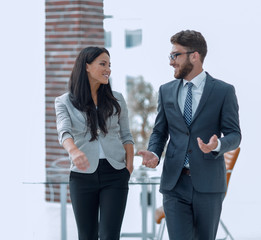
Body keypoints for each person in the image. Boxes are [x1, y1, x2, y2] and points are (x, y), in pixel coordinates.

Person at [138, 30, 241, 240]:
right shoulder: (166, 90)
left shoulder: (223, 91)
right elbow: (160, 131)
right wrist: (154, 153)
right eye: (171, 56)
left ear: (194, 55)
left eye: (176, 55)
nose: (171, 62)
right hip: (175, 183)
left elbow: (234, 134)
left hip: (209, 184)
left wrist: (218, 145)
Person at [55, 46, 134, 240]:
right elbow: (63, 131)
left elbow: (126, 135)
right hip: (82, 177)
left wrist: (129, 167)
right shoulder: (64, 101)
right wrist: (73, 151)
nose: (108, 69)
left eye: (109, 65)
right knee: (87, 235)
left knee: (109, 235)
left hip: (115, 174)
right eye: (102, 64)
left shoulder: (117, 99)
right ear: (87, 66)